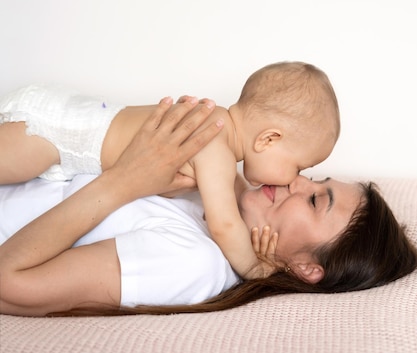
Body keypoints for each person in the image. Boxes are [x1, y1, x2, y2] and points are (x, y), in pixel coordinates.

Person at [0, 97, 416, 318]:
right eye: (313, 176)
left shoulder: (195, 263)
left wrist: (125, 181)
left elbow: (9, 284)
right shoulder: (223, 194)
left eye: (314, 199)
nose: (296, 179)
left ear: (308, 268)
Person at [0, 61, 340, 279]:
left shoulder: (216, 126)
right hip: (46, 136)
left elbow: (228, 193)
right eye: (300, 166)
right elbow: (223, 224)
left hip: (57, 117)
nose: (294, 179)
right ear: (268, 139)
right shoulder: (215, 148)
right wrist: (256, 269)